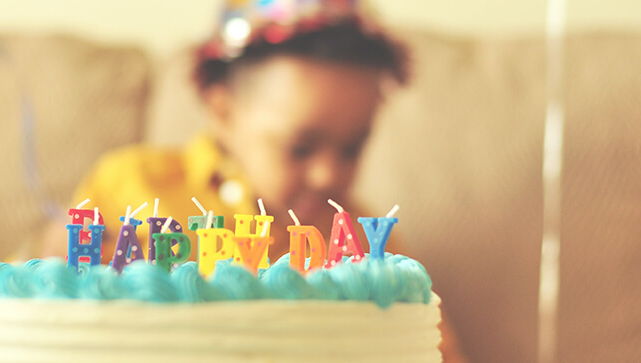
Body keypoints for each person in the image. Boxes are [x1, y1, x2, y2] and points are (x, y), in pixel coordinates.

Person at [37, 1, 467, 361]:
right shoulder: (131, 185)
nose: (328, 173)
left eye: (352, 148)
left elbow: (435, 348)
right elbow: (44, 298)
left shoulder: (367, 243)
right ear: (223, 113)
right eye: (300, 147)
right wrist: (53, 256)